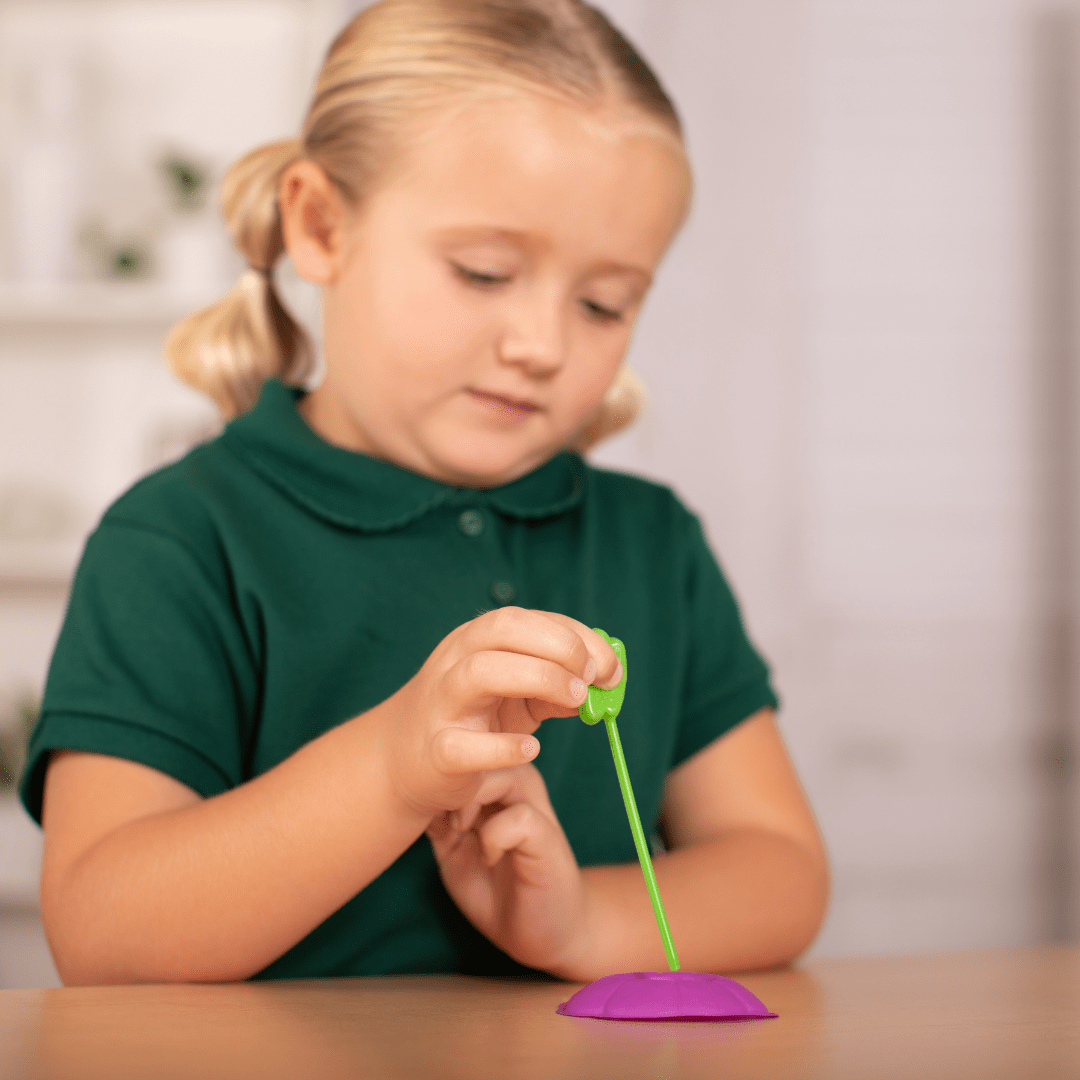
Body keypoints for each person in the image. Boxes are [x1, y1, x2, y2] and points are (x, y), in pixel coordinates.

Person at [20, 0, 828, 986]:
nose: (541, 345)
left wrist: (578, 928)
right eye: (484, 273)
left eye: (602, 303)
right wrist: (395, 766)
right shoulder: (180, 540)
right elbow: (104, 933)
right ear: (321, 226)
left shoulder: (652, 542)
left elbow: (781, 871)